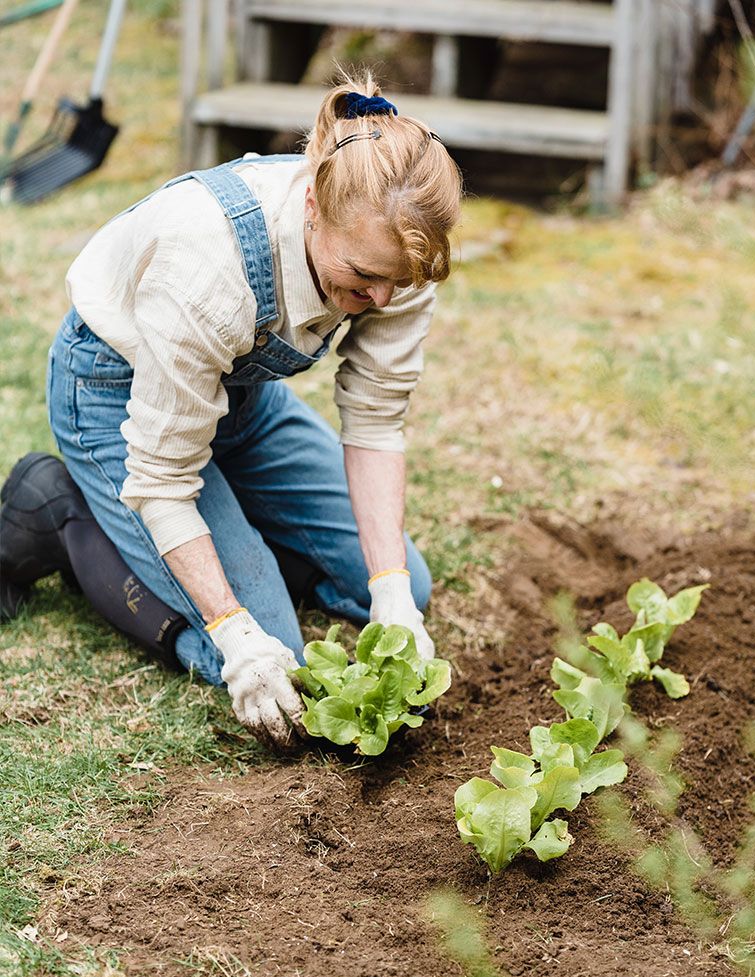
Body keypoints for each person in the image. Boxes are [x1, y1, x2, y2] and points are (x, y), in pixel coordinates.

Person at [0, 72, 462, 749]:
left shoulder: (398, 245)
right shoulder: (207, 269)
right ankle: (61, 514)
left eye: (399, 281)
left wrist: (388, 589)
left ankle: (238, 528)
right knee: (268, 653)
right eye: (364, 278)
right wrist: (233, 631)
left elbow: (375, 419)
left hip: (236, 402)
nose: (385, 299)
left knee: (403, 591)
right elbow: (162, 478)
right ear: (312, 206)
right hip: (116, 397)